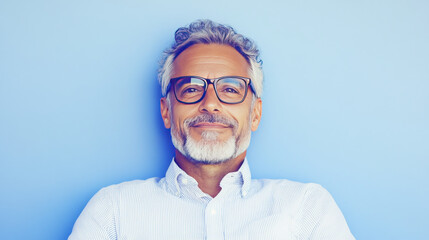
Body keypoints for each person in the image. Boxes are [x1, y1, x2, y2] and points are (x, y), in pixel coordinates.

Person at [68, 19, 355, 240]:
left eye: (230, 89)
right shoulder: (113, 211)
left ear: (255, 114)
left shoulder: (307, 208)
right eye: (191, 89)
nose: (210, 104)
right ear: (167, 111)